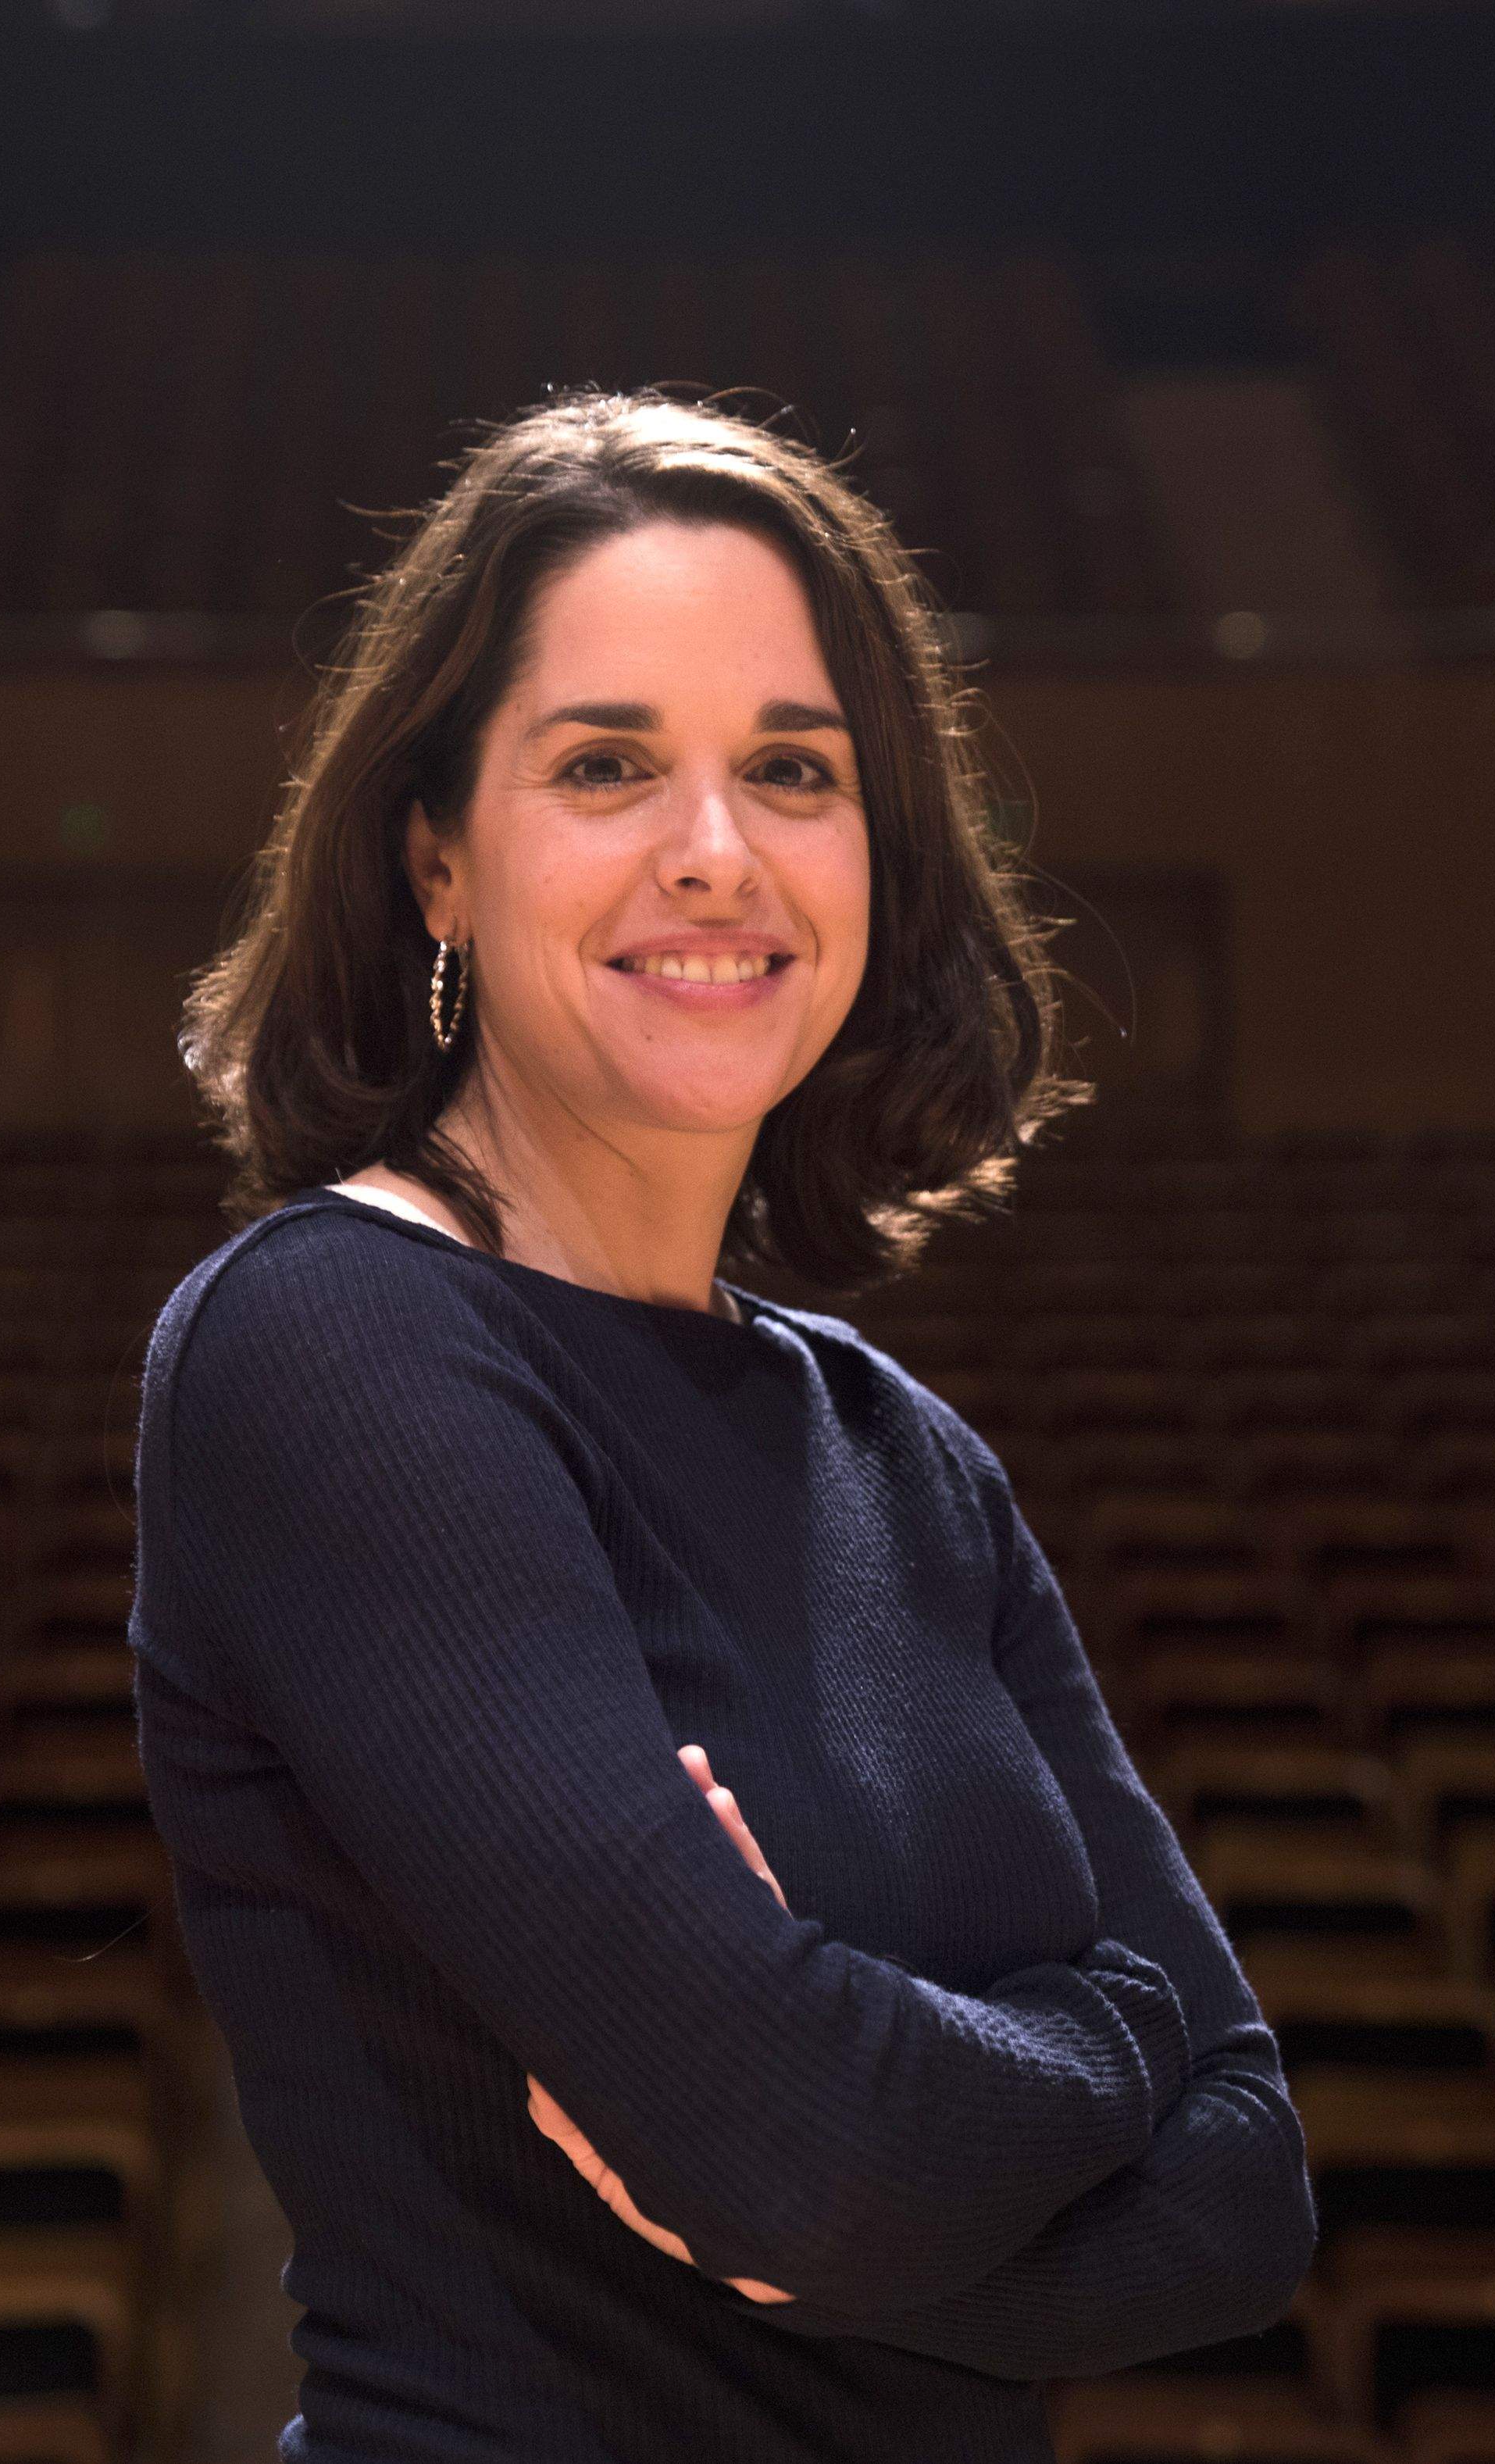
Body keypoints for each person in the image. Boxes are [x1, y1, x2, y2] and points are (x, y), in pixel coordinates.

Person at [129, 389, 1314, 2462]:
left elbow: (1248, 2197)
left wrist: (909, 2114)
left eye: (793, 768)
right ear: (436, 856)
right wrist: (1113, 2040)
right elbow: (806, 2158)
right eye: (605, 764)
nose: (716, 849)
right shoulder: (332, 1342)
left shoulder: (906, 1452)